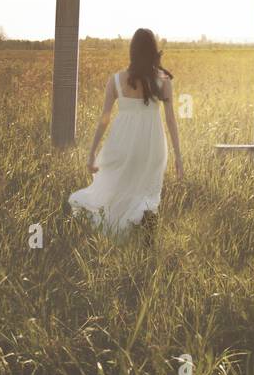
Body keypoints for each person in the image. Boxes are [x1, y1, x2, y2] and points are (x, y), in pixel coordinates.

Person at [69, 28, 183, 239]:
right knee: (147, 193)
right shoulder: (163, 81)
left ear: (132, 51)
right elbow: (170, 120)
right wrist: (178, 156)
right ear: (153, 50)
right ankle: (145, 241)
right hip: (152, 145)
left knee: (118, 189)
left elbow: (104, 118)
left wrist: (93, 151)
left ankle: (119, 235)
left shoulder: (115, 80)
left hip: (122, 143)